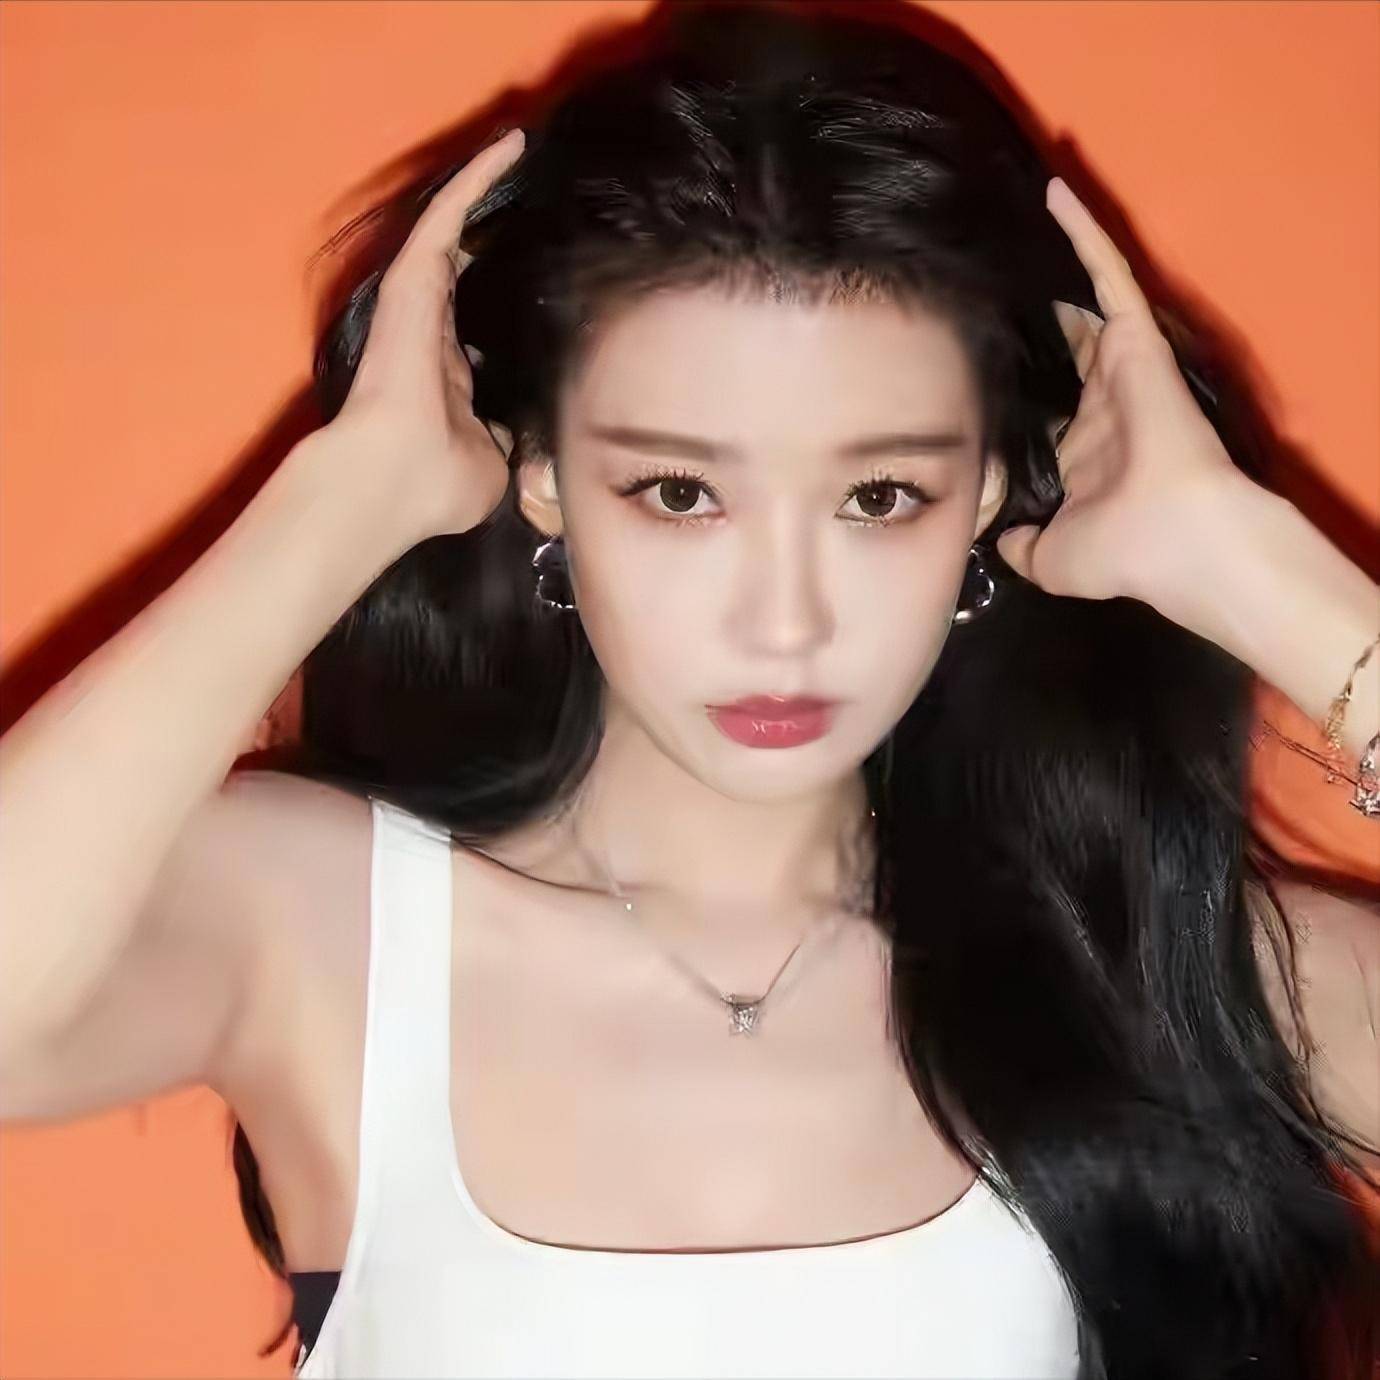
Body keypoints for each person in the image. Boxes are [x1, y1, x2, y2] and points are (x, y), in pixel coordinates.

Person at [2, 2, 1377, 1377]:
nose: (783, 622)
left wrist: (1245, 565)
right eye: (677, 493)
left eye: (879, 497)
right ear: (542, 475)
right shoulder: (322, 929)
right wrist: (346, 503)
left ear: (986, 496)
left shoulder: (1145, 958)